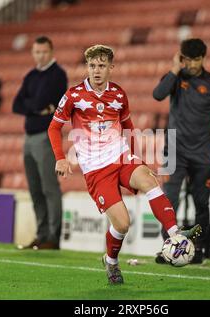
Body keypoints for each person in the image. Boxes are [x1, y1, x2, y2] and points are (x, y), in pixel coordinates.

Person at [48, 45, 201, 285]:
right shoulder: (74, 95)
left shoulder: (119, 94)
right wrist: (60, 157)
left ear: (111, 68)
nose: (96, 71)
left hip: (120, 157)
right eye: (92, 66)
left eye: (101, 66)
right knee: (122, 223)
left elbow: (128, 128)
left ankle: (174, 235)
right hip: (96, 169)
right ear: (87, 67)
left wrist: (138, 158)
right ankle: (111, 262)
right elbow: (54, 127)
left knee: (150, 179)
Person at [152, 38, 210, 264]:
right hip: (174, 150)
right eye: (188, 60)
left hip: (204, 153)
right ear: (181, 58)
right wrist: (175, 68)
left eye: (196, 60)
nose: (192, 64)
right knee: (169, 200)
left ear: (203, 58)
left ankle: (198, 248)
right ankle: (170, 246)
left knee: (201, 203)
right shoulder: (175, 78)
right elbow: (158, 94)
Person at [13, 36, 67, 250]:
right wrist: (38, 108)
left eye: (44, 52)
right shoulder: (31, 76)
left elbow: (42, 102)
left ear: (51, 51)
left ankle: (53, 238)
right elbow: (17, 104)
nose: (40, 56)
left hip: (47, 136)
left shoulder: (58, 75)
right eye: (36, 52)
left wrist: (34, 107)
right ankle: (41, 233)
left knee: (49, 188)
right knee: (35, 189)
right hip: (29, 137)